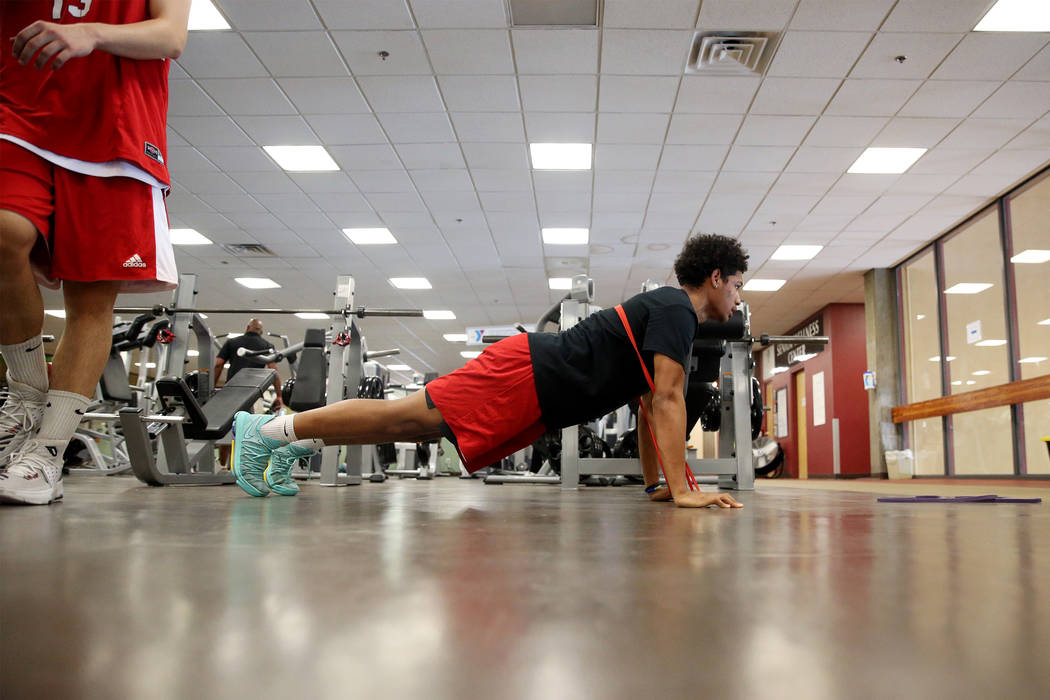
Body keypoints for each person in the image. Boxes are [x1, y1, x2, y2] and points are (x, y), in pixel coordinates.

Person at [233, 233, 748, 509]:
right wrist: (682, 490)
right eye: (738, 285)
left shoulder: (673, 313)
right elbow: (667, 401)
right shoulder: (678, 310)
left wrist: (657, 485)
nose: (738, 295)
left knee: (414, 424)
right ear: (717, 276)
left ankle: (287, 443)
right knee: (404, 419)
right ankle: (265, 430)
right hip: (525, 376)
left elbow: (647, 403)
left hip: (536, 387)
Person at [0, 0, 190, 505]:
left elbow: (171, 35)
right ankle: (25, 396)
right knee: (3, 234)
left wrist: (93, 34)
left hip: (117, 128)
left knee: (91, 301)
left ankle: (46, 451)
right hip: (17, 110)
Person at [213, 319, 283, 468]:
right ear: (261, 331)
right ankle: (246, 468)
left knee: (226, 430)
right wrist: (279, 395)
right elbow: (274, 370)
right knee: (251, 432)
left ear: (247, 327)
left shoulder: (232, 342)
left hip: (231, 392)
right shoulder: (267, 346)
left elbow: (219, 364)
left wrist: (211, 387)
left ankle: (223, 466)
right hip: (254, 394)